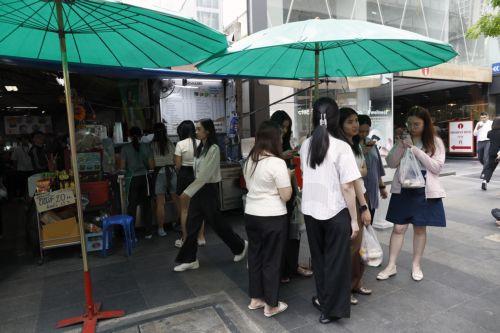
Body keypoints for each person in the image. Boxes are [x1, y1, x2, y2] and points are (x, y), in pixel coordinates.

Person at [300, 97, 360, 324]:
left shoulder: (306, 144)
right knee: (337, 263)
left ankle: (324, 301)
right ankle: (331, 310)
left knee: (320, 260)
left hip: (311, 210)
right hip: (335, 212)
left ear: (314, 117)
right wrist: (354, 220)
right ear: (335, 119)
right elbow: (348, 187)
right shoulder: (341, 147)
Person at [378, 106, 446, 282]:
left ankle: (416, 265)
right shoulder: (403, 139)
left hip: (424, 189)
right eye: (410, 124)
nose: (413, 127)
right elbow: (392, 163)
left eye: (417, 124)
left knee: (419, 228)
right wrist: (401, 145)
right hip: (403, 187)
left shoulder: (435, 142)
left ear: (426, 123)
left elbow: (436, 167)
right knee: (398, 227)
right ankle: (391, 265)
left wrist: (415, 150)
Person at [174, 118, 248, 272]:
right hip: (199, 190)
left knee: (217, 224)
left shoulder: (213, 149)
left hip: (208, 190)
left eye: (199, 129)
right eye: (196, 129)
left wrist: (187, 192)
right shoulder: (200, 147)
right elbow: (198, 173)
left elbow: (205, 175)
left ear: (207, 131)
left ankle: (240, 246)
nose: (196, 131)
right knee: (192, 224)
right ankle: (190, 259)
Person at [244, 121, 292, 318]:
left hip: (251, 214)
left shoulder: (249, 160)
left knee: (255, 256)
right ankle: (271, 305)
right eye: (280, 137)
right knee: (272, 260)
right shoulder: (277, 163)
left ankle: (256, 298)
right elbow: (286, 195)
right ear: (274, 139)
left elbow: (249, 187)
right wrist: (288, 177)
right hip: (272, 216)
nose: (282, 140)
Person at [270, 110, 313, 283]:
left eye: (287, 128)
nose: (285, 131)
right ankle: (282, 270)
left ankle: (291, 266)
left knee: (293, 233)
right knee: (282, 234)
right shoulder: (268, 143)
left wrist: (297, 192)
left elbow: (292, 172)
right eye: (282, 127)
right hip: (276, 196)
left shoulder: (287, 142)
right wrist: (281, 156)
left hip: (290, 193)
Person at [339, 108, 372, 306]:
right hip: (351, 199)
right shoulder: (342, 147)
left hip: (362, 194)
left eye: (355, 121)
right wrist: (362, 207)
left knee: (360, 245)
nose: (355, 125)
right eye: (350, 121)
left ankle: (357, 282)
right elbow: (351, 179)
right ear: (340, 125)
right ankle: (348, 286)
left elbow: (363, 171)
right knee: (352, 245)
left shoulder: (356, 145)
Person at [174, 120, 205, 248]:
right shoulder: (201, 143)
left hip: (184, 176)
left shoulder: (180, 144)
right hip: (198, 176)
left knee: (185, 210)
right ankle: (201, 238)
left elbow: (177, 166)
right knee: (199, 209)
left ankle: (185, 238)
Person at [120, 126, 155, 239]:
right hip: (144, 179)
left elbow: (122, 168)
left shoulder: (125, 148)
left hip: (131, 180)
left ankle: (131, 234)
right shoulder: (146, 147)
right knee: (146, 206)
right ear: (141, 135)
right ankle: (148, 232)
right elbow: (151, 166)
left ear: (129, 136)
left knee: (132, 207)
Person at [358, 115, 388, 221]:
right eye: (361, 131)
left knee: (369, 223)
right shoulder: (351, 144)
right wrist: (362, 152)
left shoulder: (371, 143)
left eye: (367, 131)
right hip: (359, 192)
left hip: (372, 190)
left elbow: (378, 167)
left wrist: (382, 187)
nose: (364, 134)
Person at [150, 123, 177, 237]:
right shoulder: (170, 143)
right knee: (177, 200)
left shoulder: (151, 145)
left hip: (159, 174)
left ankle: (161, 229)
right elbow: (176, 160)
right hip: (172, 173)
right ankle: (177, 223)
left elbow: (151, 165)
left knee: (160, 203)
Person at [481, 117, 500, 190]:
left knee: (490, 168)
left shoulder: (490, 132)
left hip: (492, 152)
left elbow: (488, 137)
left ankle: (485, 181)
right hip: (499, 152)